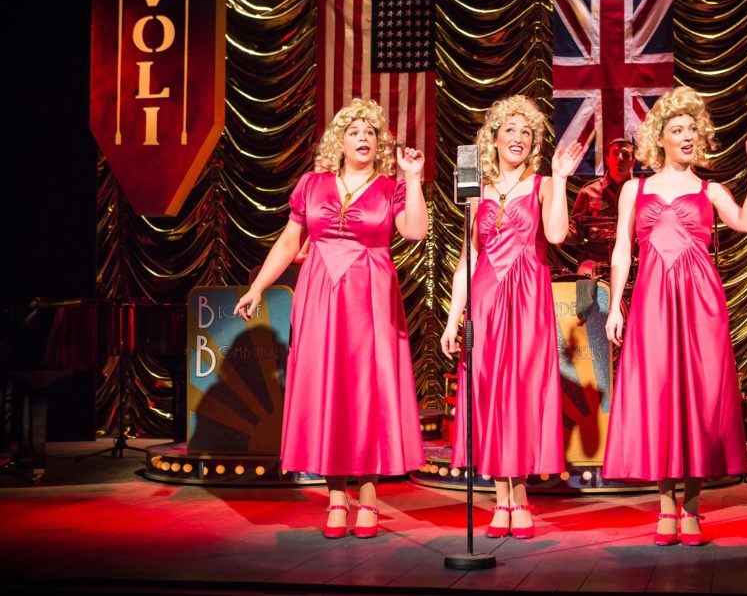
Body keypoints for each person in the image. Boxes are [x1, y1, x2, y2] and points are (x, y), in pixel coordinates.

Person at [234, 98, 428, 539]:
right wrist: (258, 286)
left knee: (367, 392)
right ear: (338, 142)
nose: (363, 136)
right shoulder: (312, 184)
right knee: (328, 390)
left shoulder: (389, 187)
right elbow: (289, 242)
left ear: (379, 144)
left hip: (372, 297)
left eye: (370, 132)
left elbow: (414, 231)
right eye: (354, 131)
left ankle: (369, 494)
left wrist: (413, 179)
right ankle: (336, 496)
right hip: (320, 294)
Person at [602, 86, 747, 546]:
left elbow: (745, 223)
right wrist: (615, 305)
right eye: (678, 129)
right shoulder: (635, 189)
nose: (688, 135)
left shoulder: (709, 188)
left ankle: (691, 507)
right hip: (653, 301)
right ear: (661, 139)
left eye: (693, 128)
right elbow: (621, 251)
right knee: (658, 394)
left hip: (700, 302)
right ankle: (663, 507)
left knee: (697, 395)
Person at [440, 95, 583, 539]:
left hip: (526, 296)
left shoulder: (541, 184)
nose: (519, 138)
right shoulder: (474, 186)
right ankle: (498, 496)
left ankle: (519, 494)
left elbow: (557, 234)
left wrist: (559, 180)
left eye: (527, 131)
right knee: (488, 391)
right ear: (495, 138)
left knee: (521, 391)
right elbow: (468, 257)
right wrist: (452, 317)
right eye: (511, 130)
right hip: (485, 296)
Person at [568, 138, 636, 276]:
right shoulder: (589, 192)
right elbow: (575, 233)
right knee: (584, 279)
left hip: (634, 260)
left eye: (625, 154)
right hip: (596, 262)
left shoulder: (642, 191)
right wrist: (560, 229)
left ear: (633, 161)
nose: (620, 158)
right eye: (615, 153)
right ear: (607, 159)